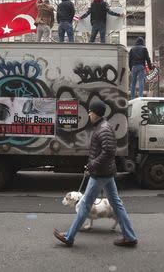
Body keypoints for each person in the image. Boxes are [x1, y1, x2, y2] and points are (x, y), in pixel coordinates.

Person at [53, 100, 138, 247]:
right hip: (106, 172)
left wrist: (92, 164)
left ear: (96, 113)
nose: (89, 113)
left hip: (100, 173)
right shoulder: (102, 126)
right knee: (116, 204)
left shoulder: (103, 129)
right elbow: (106, 151)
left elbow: (108, 151)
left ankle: (69, 236)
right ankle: (130, 237)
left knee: (85, 204)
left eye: (90, 111)